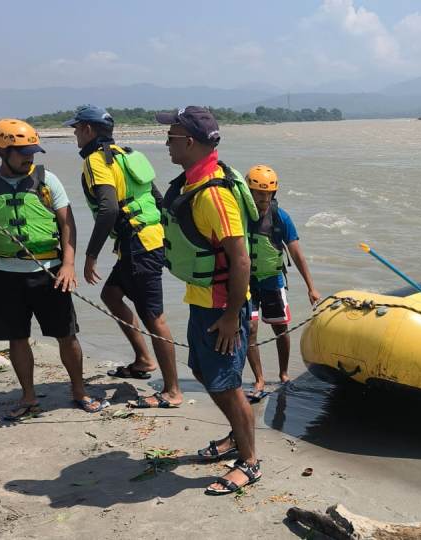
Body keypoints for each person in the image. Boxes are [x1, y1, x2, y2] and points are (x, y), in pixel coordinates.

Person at [156, 106, 261, 495]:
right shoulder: (191, 183)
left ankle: (249, 462)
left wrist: (233, 315)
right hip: (203, 300)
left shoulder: (213, 195)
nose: (166, 141)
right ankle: (237, 437)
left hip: (222, 307)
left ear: (190, 142)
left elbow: (241, 258)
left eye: (171, 135)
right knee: (204, 373)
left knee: (225, 384)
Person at [64, 105, 182, 409]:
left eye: (76, 128)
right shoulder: (127, 154)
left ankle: (172, 391)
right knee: (112, 294)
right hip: (149, 238)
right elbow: (156, 197)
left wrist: (90, 256)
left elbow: (109, 209)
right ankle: (143, 360)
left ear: (88, 130)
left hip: (138, 245)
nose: (75, 134)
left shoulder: (94, 161)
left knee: (154, 318)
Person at [0, 119, 106, 418]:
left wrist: (69, 265)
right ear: (1, 151)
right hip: (5, 275)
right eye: (22, 152)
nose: (29, 157)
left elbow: (67, 224)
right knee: (17, 338)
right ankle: (28, 398)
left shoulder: (47, 180)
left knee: (66, 335)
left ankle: (79, 390)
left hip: (50, 273)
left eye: (32, 151)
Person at [243, 165, 320, 402]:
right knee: (250, 330)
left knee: (280, 329)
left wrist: (311, 287)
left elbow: (297, 254)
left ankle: (284, 374)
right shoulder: (240, 216)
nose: (263, 198)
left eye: (267, 194)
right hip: (246, 283)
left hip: (273, 281)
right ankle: (259, 379)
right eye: (258, 193)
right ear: (248, 192)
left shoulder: (281, 218)